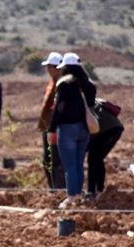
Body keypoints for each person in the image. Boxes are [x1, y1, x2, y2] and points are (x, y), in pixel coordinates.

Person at [48, 52, 97, 209]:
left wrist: (52, 128)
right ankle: (78, 194)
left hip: (68, 128)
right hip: (85, 129)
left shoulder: (65, 84)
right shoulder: (89, 85)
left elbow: (59, 108)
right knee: (78, 163)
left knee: (69, 166)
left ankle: (71, 196)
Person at [37, 52, 66, 190]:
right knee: (48, 160)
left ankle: (59, 190)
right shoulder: (53, 82)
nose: (48, 69)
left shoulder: (62, 83)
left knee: (56, 160)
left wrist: (53, 128)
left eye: (49, 66)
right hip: (48, 126)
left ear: (57, 67)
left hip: (56, 128)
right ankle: (54, 189)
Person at [86, 100, 124, 198]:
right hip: (115, 128)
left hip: (107, 130)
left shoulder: (80, 105)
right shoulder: (91, 100)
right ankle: (98, 188)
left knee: (93, 159)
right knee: (97, 158)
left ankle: (92, 191)